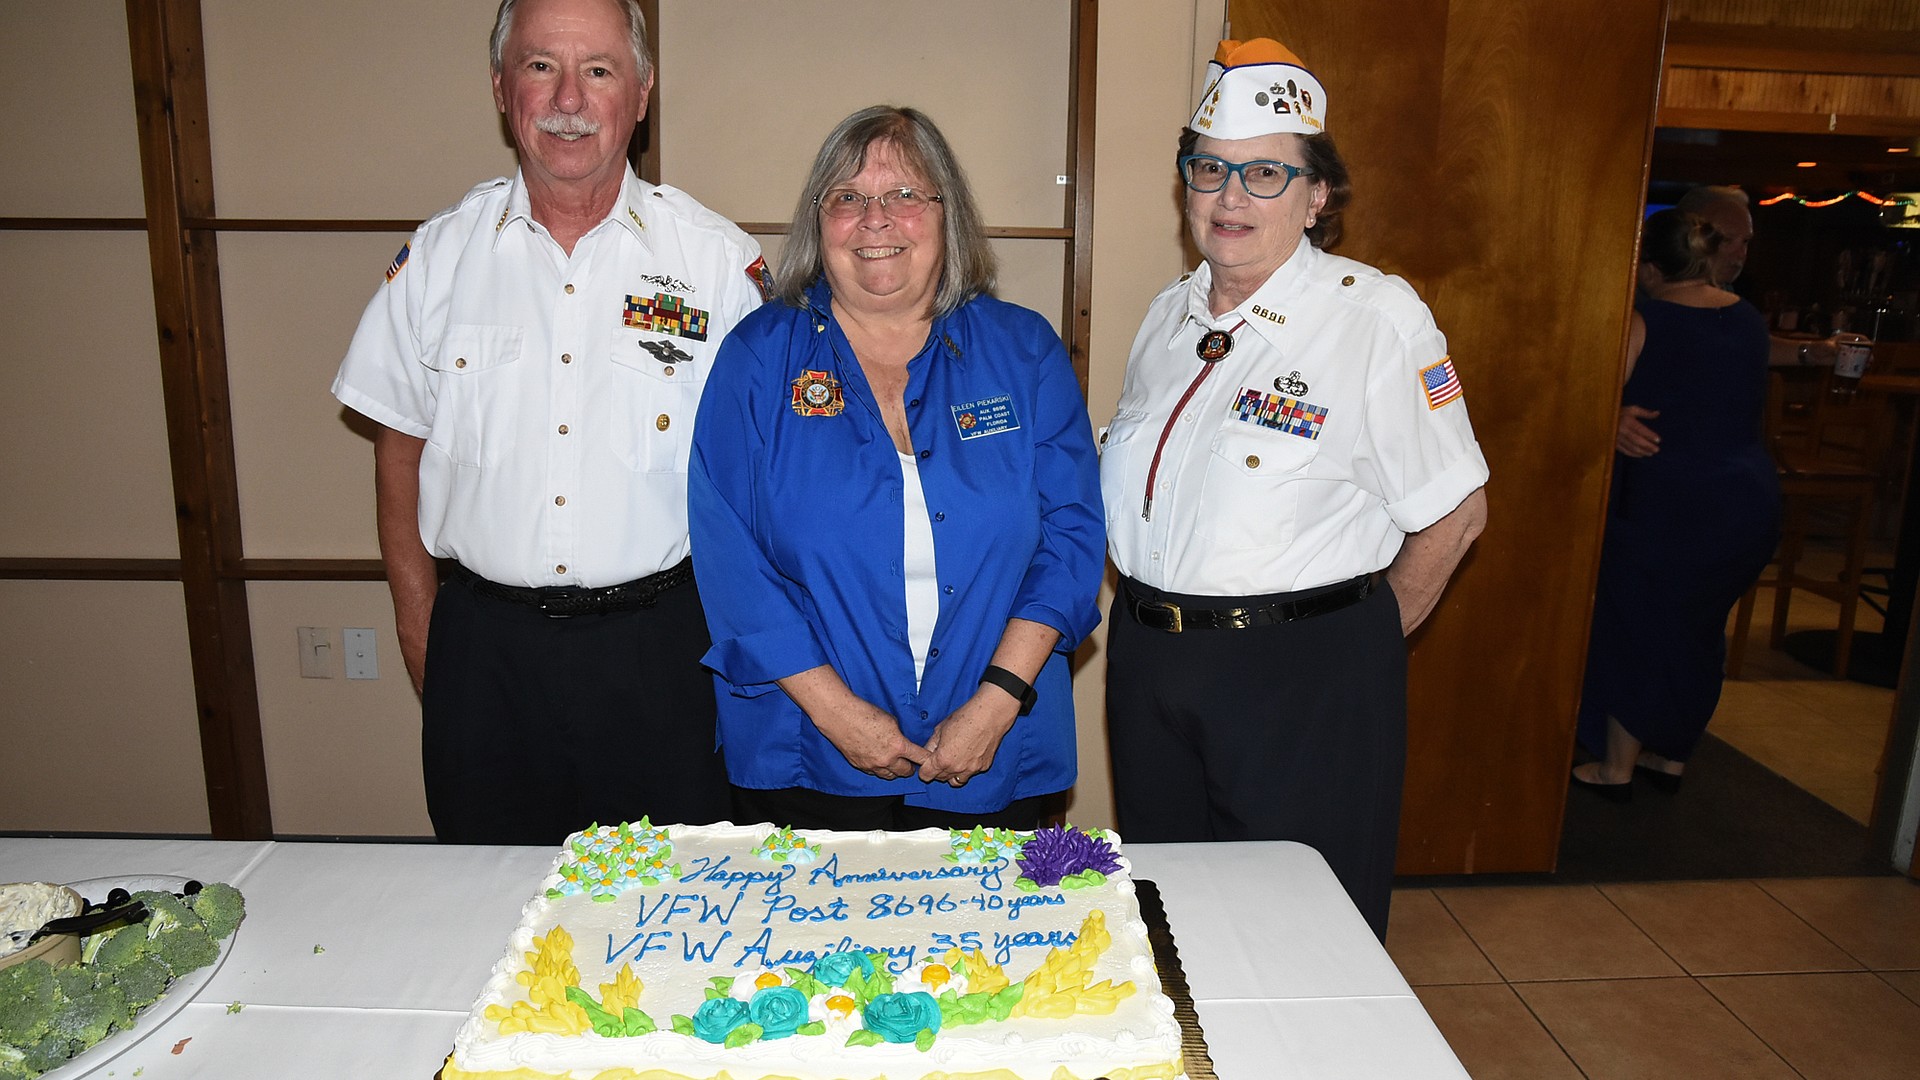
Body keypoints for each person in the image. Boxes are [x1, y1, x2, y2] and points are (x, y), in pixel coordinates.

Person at [331, 0, 767, 844]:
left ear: (640, 93)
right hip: (485, 656)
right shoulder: (439, 259)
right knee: (490, 915)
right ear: (502, 87)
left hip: (665, 652)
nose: (569, 97)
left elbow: (762, 482)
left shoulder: (713, 262)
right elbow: (398, 452)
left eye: (598, 70)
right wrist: (425, 632)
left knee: (670, 921)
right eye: (540, 67)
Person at [1099, 38, 1489, 941]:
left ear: (1318, 198)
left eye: (1267, 174)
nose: (1231, 198)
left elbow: (1457, 512)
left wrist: (1350, 650)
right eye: (1211, 171)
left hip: (1300, 675)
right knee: (1170, 917)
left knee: (1301, 938)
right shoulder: (1171, 314)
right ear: (1186, 186)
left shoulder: (1372, 320)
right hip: (1153, 659)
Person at [689, 106, 1105, 832]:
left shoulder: (1025, 352)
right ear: (820, 222)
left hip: (996, 747)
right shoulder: (757, 358)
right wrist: (837, 713)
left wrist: (997, 701)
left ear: (948, 216)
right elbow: (730, 561)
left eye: (905, 195)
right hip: (806, 752)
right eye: (847, 197)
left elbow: (1071, 539)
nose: (875, 218)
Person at [1573, 209, 1780, 798]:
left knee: (1636, 624)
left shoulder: (1646, 320)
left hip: (1670, 501)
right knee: (1698, 631)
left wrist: (1610, 418)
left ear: (1649, 269)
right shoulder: (1749, 322)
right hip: (1747, 500)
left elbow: (1597, 399)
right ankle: (1672, 755)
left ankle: (1615, 766)